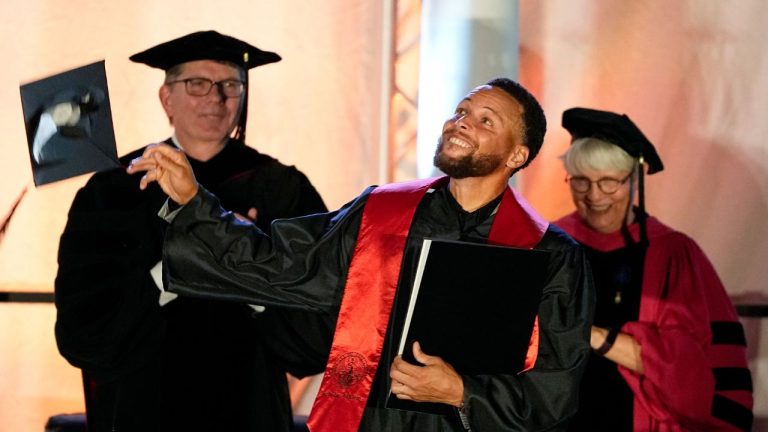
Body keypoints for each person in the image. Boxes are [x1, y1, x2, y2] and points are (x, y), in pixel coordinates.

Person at [128, 77, 595, 431]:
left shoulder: (551, 257)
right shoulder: (382, 213)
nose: (462, 122)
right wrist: (196, 203)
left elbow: (555, 389)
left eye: (485, 120)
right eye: (461, 111)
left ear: (517, 155)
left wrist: (461, 391)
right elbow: (282, 261)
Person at [54, 30, 329, 432]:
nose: (216, 98)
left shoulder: (281, 188)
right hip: (144, 407)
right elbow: (82, 331)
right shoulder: (115, 189)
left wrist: (247, 273)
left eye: (230, 85)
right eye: (197, 84)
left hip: (249, 409)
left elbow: (318, 333)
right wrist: (170, 274)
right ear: (167, 98)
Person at [555, 107, 754, 431]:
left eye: (609, 182)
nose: (594, 196)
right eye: (581, 181)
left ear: (634, 177)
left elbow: (694, 369)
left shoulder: (675, 253)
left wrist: (593, 336)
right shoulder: (550, 246)